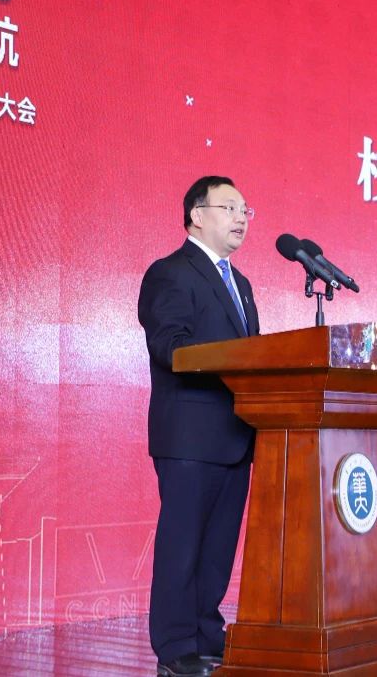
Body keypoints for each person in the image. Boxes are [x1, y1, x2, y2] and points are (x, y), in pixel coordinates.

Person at [137, 176, 259, 677]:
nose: (241, 218)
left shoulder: (241, 284)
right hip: (189, 436)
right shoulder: (170, 273)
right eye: (229, 208)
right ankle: (174, 648)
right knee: (183, 545)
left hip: (236, 435)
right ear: (196, 215)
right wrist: (234, 362)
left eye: (246, 210)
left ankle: (208, 635)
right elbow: (169, 346)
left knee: (217, 551)